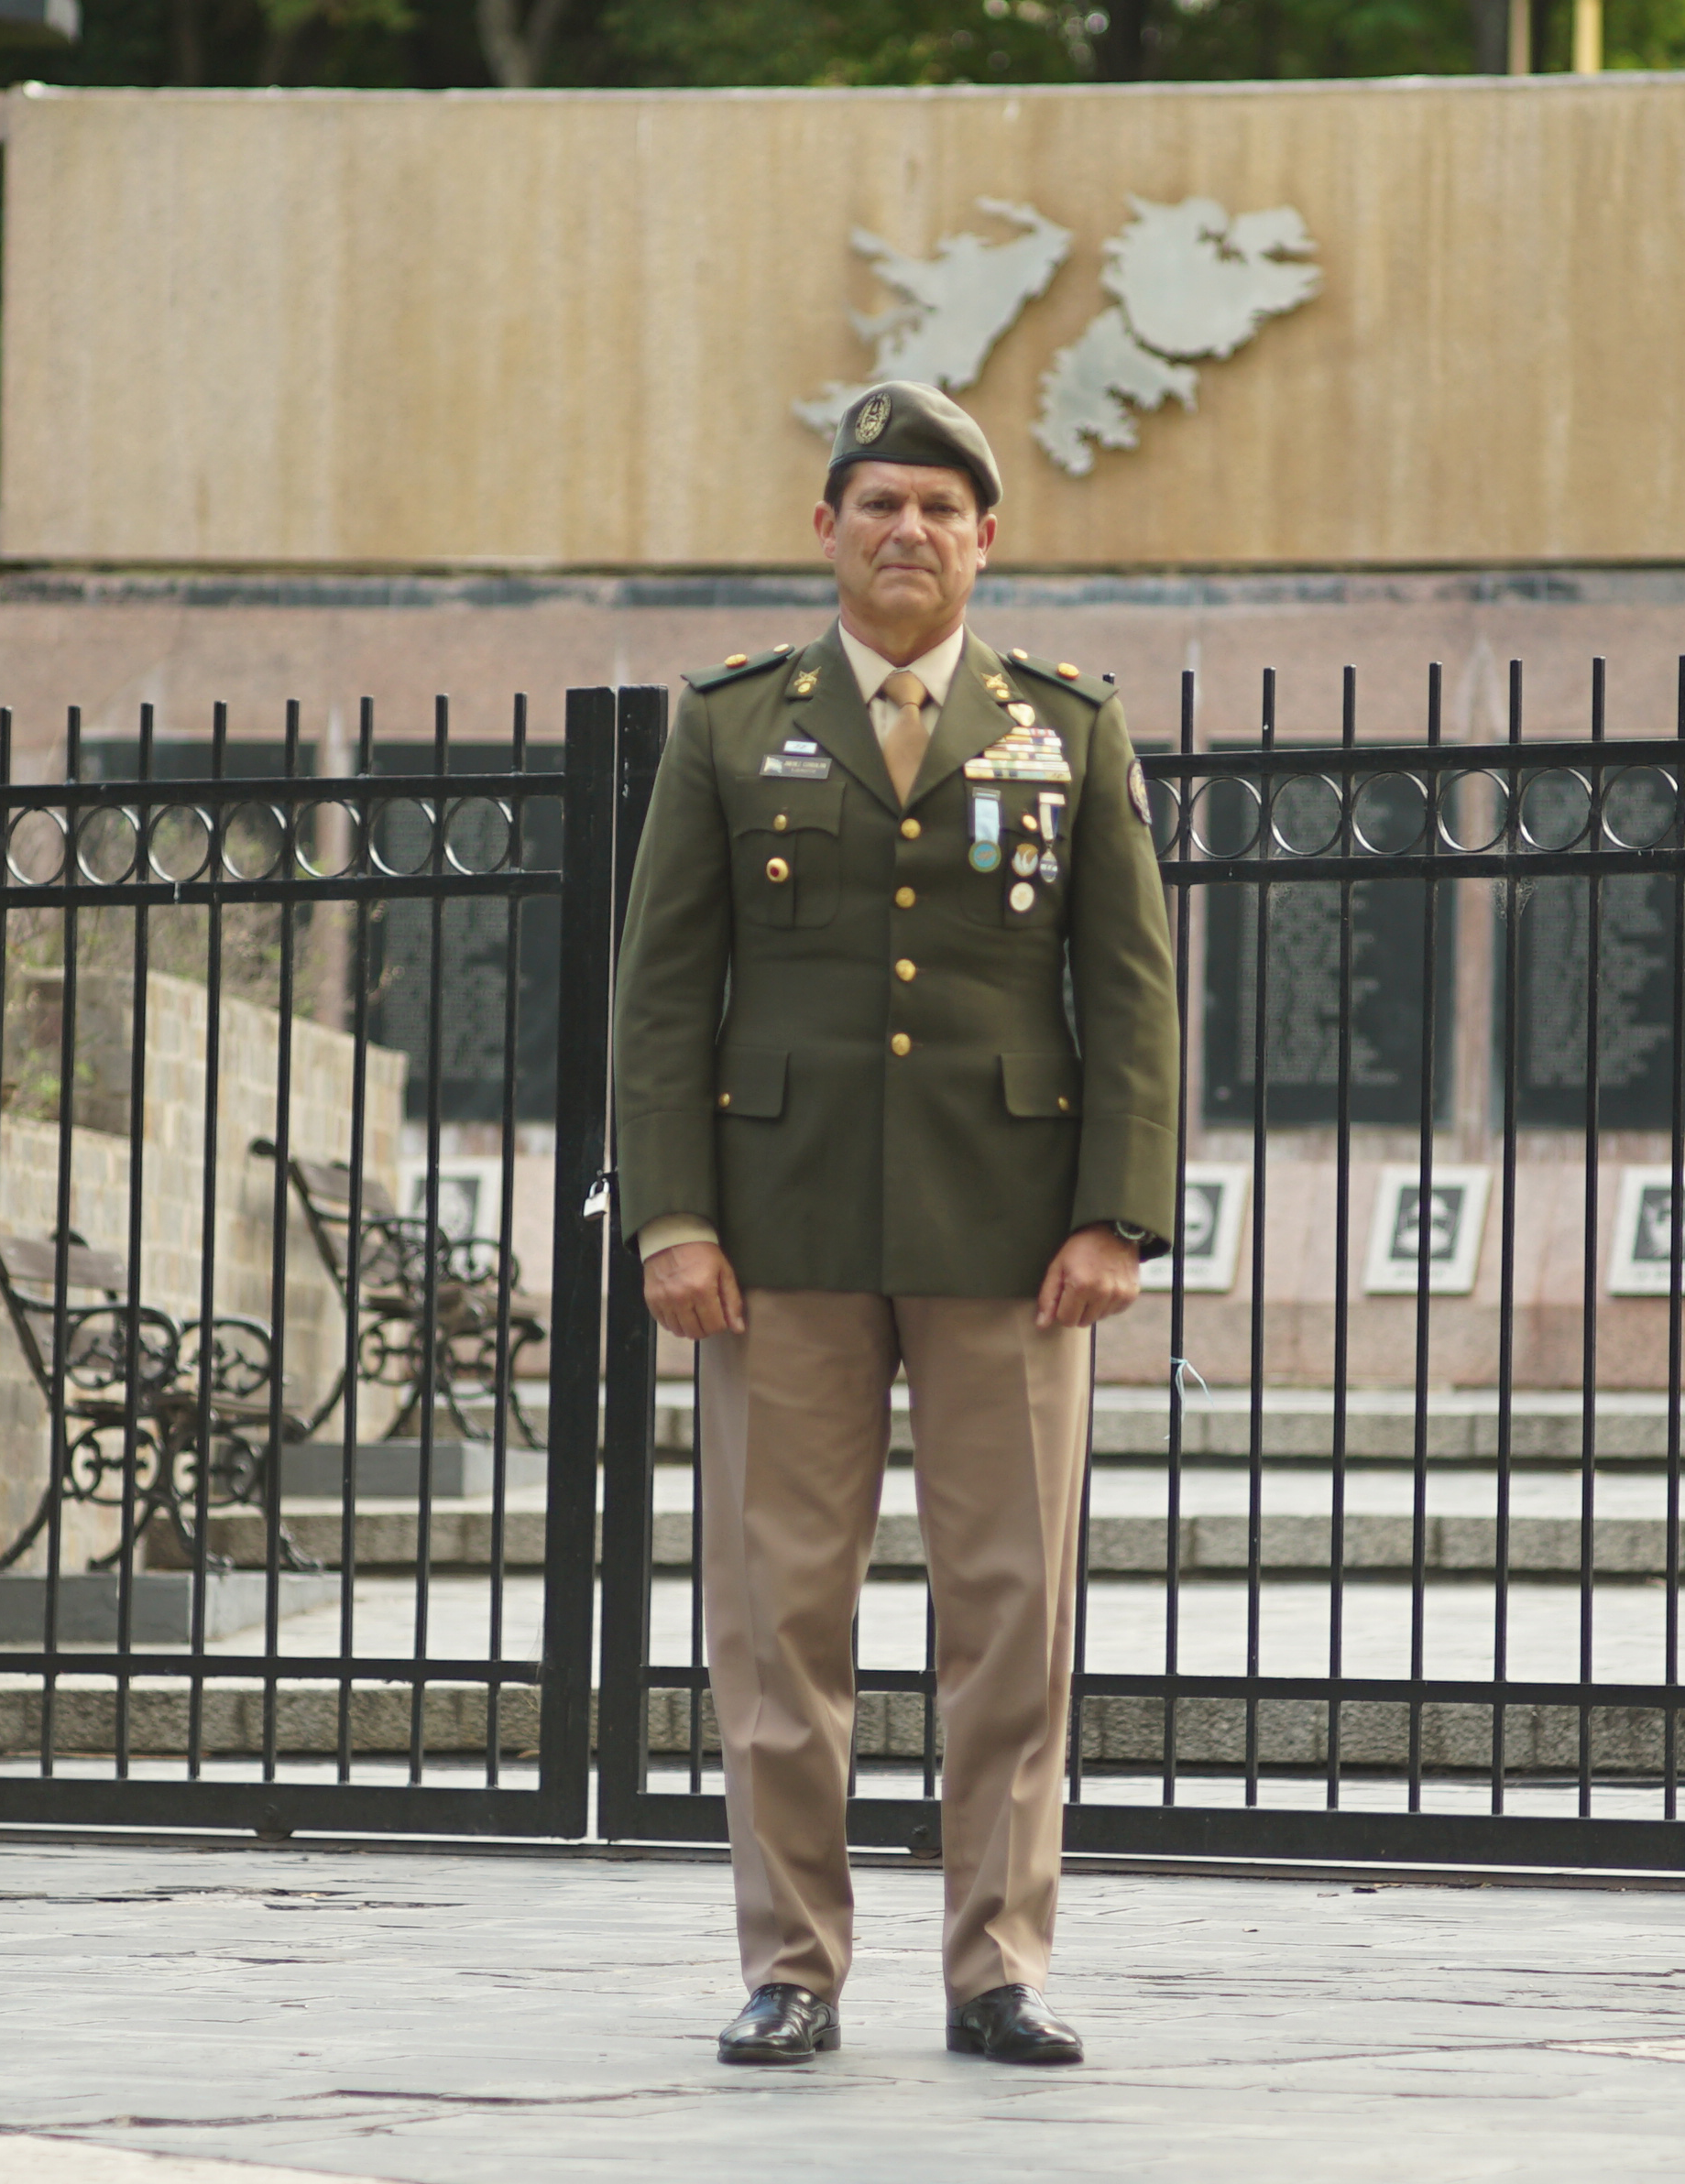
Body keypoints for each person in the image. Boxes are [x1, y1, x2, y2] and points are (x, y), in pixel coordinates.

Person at [609, 380, 1179, 2070]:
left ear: (987, 539)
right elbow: (661, 1001)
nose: (909, 532)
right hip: (776, 1236)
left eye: (942, 507)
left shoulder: (1065, 725)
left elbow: (1131, 994)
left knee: (1011, 1608)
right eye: (880, 504)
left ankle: (996, 1962)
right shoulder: (728, 725)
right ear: (828, 529)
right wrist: (673, 1220)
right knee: (783, 1612)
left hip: (1015, 1239)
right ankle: (793, 1961)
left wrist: (1118, 1218)